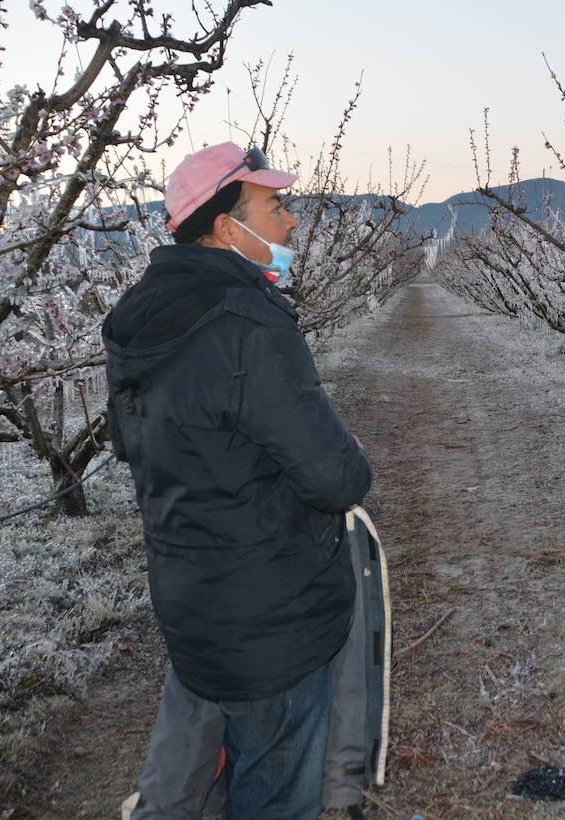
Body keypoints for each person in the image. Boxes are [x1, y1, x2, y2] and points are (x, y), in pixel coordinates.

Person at [102, 142, 373, 818]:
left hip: (192, 600)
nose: (289, 223)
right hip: (272, 616)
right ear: (228, 228)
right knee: (278, 789)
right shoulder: (246, 321)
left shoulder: (138, 323)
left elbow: (153, 453)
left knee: (206, 768)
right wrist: (345, 453)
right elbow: (336, 479)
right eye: (274, 207)